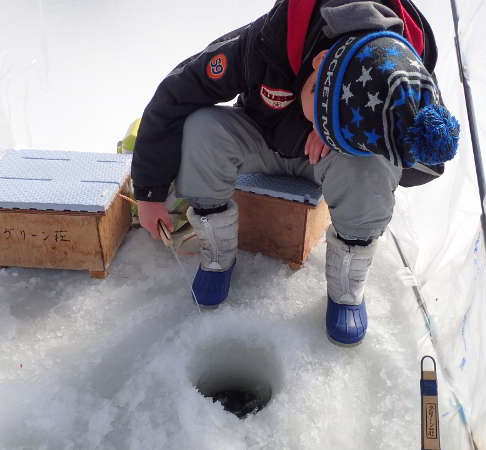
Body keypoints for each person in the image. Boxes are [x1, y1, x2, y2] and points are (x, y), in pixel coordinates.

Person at [131, 0, 459, 346]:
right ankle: (217, 255)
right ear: (320, 62)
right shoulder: (264, 42)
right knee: (204, 127)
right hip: (262, 140)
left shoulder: (407, 79)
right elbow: (178, 91)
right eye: (318, 104)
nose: (316, 123)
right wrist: (149, 192)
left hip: (329, 167)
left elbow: (425, 167)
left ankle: (347, 286)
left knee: (376, 165)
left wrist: (348, 140)